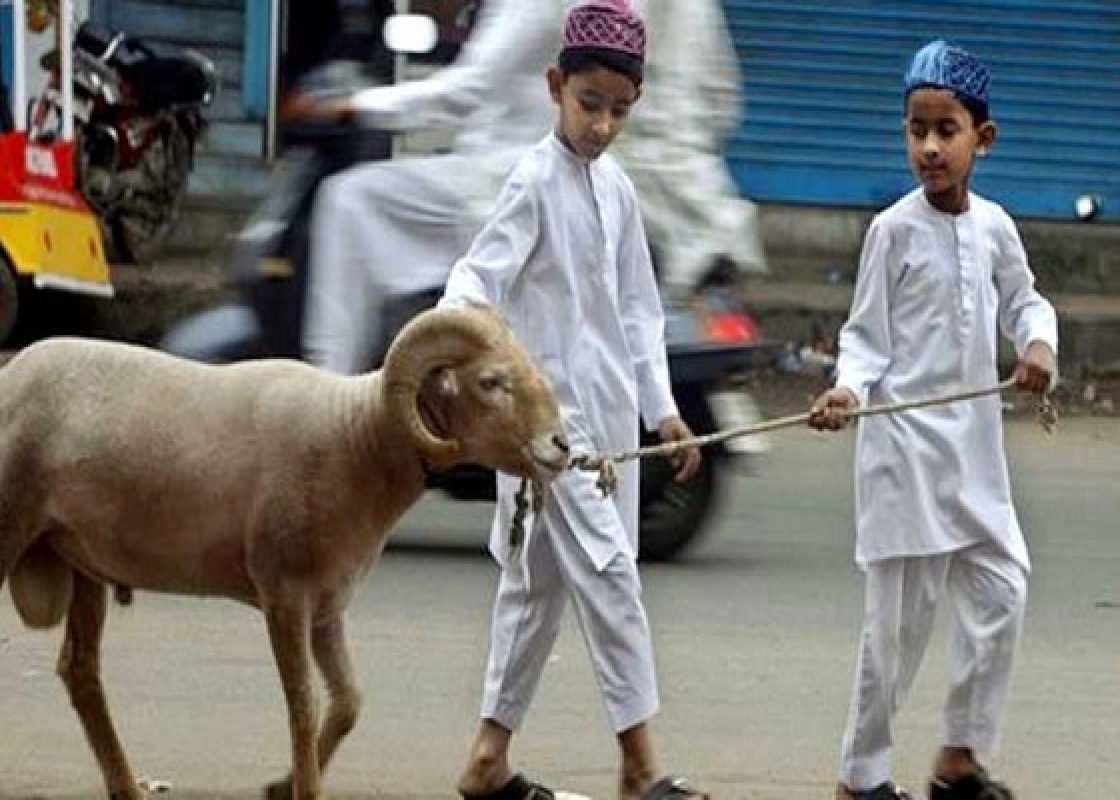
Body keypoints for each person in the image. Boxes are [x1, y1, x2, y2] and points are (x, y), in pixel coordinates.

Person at [435, 4, 709, 799]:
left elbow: (639, 313)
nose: (601, 124)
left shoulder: (618, 191)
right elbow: (474, 279)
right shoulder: (532, 179)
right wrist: (461, 355)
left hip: (610, 424)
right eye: (589, 104)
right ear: (556, 88)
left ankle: (488, 759)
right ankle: (640, 766)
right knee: (612, 575)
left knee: (535, 593)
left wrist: (663, 411)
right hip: (547, 432)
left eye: (619, 110)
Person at [808, 40, 1058, 800]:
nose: (927, 147)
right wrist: (848, 392)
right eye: (916, 129)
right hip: (903, 458)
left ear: (982, 138)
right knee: (896, 635)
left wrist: (1038, 345)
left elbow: (1025, 300)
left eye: (945, 130)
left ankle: (958, 759)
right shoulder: (892, 230)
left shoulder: (995, 228)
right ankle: (862, 778)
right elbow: (864, 338)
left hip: (973, 458)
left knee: (1003, 589)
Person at [297, 0, 765, 375]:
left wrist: (355, 106)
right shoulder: (698, 8)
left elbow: (468, 90)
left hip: (520, 177)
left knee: (351, 199)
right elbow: (723, 101)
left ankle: (328, 398)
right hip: (675, 197)